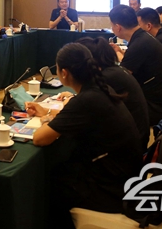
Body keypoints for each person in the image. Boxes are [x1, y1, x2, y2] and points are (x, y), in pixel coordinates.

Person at [25, 43, 142, 228]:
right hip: (125, 176)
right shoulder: (100, 89)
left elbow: (39, 138)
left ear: (64, 73)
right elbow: (78, 116)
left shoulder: (87, 99)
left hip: (112, 190)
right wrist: (47, 113)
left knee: (51, 183)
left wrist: (47, 121)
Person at [109, 5, 162, 125]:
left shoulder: (139, 43)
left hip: (158, 109)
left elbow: (120, 79)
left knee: (105, 105)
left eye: (112, 25)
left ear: (118, 27)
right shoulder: (143, 37)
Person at [76, 36, 150, 147]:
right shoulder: (114, 70)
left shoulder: (106, 77)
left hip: (129, 146)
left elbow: (84, 110)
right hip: (137, 137)